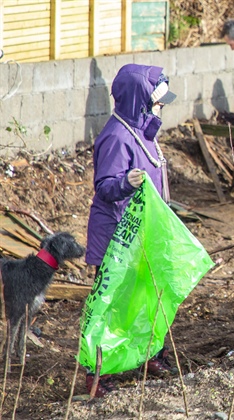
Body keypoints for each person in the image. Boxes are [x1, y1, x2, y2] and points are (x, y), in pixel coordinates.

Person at [85, 64, 178, 396]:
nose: (162, 107)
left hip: (144, 232)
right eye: (157, 101)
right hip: (117, 236)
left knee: (148, 297)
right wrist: (125, 183)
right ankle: (98, 374)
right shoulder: (116, 136)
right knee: (112, 306)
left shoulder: (145, 132)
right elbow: (105, 187)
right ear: (139, 100)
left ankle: (150, 356)